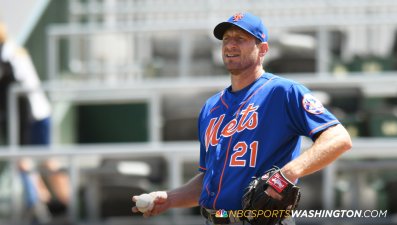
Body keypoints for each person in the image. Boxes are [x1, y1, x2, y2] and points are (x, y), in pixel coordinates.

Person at [132, 12, 352, 225]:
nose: (230, 45)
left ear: (263, 49)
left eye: (241, 38)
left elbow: (338, 138)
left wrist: (286, 174)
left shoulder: (283, 92)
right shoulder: (211, 108)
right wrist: (169, 199)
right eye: (226, 39)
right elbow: (210, 179)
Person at [1, 21, 69, 224]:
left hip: (31, 116)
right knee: (32, 162)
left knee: (39, 162)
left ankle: (63, 205)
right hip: (28, 115)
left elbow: (21, 98)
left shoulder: (10, 56)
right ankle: (41, 206)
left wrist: (19, 134)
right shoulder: (12, 52)